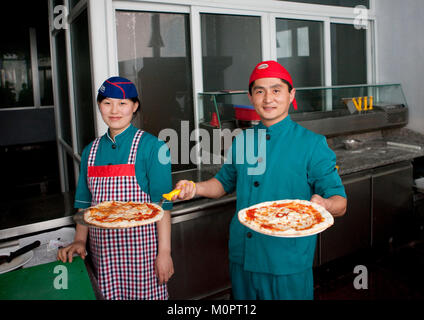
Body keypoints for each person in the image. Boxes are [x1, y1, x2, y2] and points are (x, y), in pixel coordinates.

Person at [174, 61, 347, 300]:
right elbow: (223, 183)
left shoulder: (312, 144)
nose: (268, 98)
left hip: (286, 262)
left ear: (291, 95)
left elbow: (340, 202)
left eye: (276, 90)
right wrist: (194, 188)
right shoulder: (242, 140)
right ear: (251, 97)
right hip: (243, 255)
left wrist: (325, 204)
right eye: (260, 91)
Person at [57, 76, 174, 300]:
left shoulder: (153, 147)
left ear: (134, 106)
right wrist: (80, 240)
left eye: (122, 103)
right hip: (104, 254)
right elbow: (85, 205)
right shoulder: (90, 151)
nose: (114, 110)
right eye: (107, 102)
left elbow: (163, 205)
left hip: (143, 255)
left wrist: (165, 253)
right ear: (99, 105)